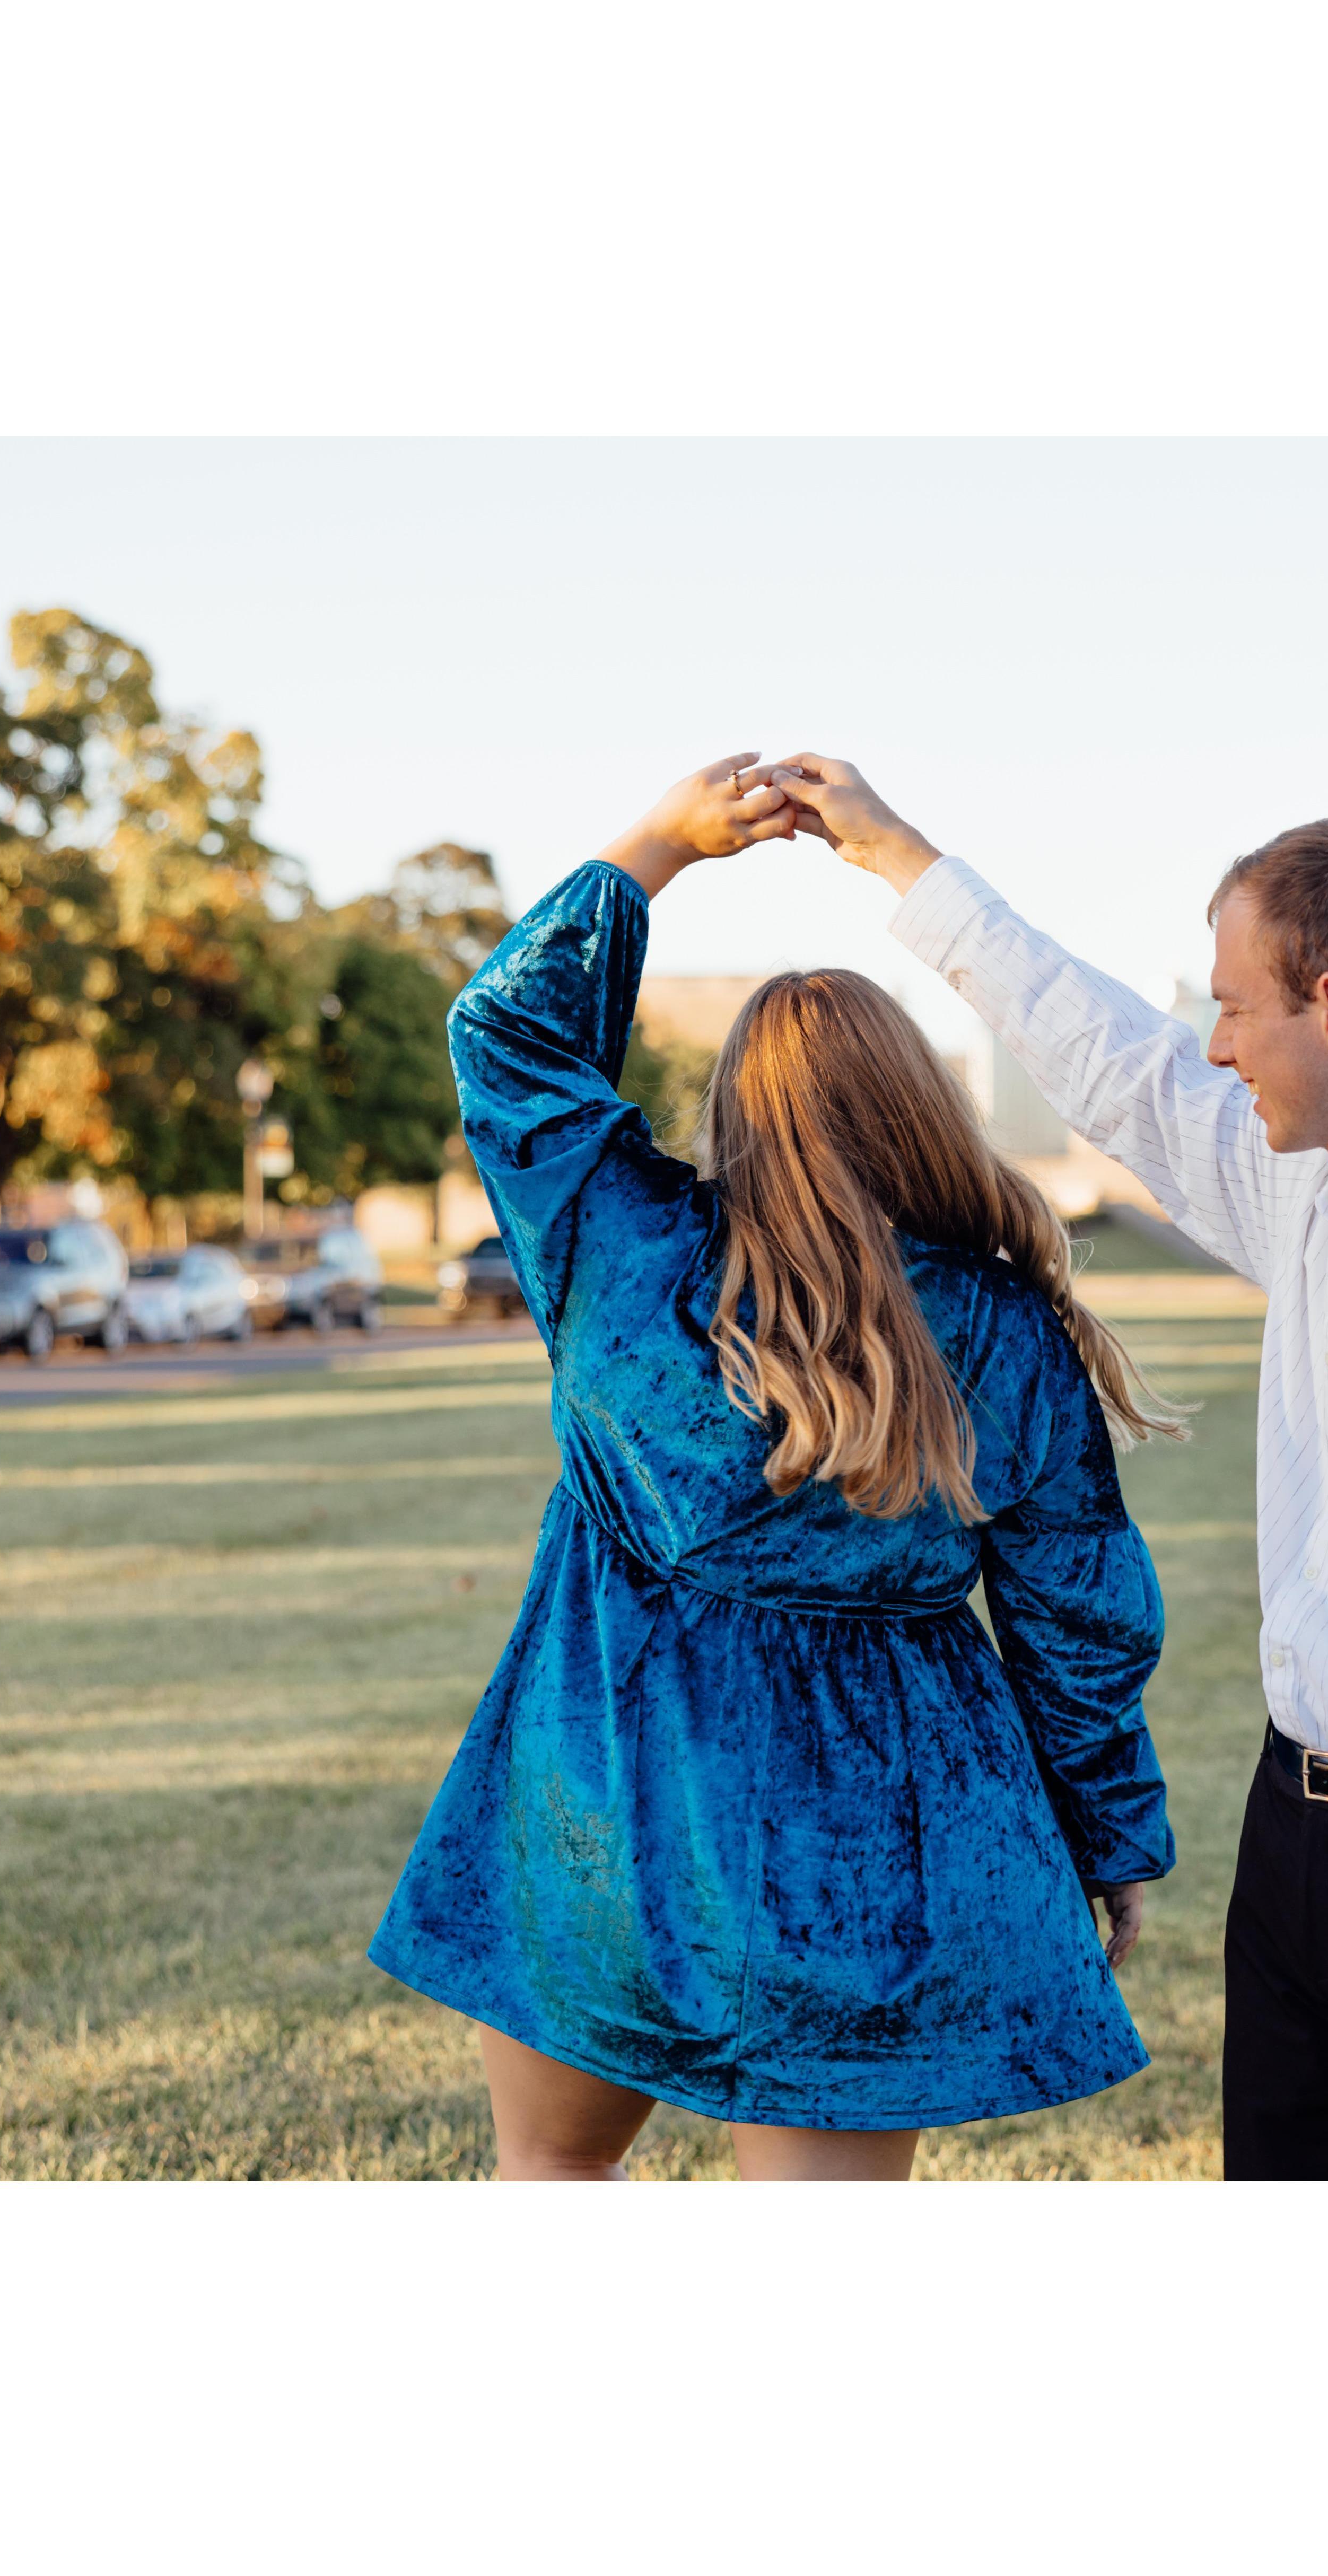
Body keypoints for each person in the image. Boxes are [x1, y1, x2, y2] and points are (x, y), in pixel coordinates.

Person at [768, 755, 1328, 2181]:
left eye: (1237, 1009)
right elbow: (1112, 1064)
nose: (1216, 1048)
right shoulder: (1316, 1193)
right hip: (1292, 1841)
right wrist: (902, 862)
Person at [370, 756, 1181, 2183]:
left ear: (734, 1115)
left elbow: (505, 1037)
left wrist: (666, 846)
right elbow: (1076, 1617)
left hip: (603, 1803)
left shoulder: (624, 1255)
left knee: (548, 2177)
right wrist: (1106, 1830)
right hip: (870, 1855)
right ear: (919, 1115)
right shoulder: (1003, 1327)